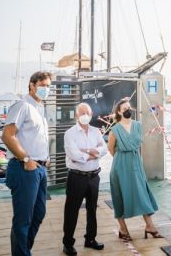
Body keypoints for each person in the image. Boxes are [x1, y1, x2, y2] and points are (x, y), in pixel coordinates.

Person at [2, 71, 52, 256]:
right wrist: (26, 159)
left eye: (48, 86)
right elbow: (7, 135)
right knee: (23, 220)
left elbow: (34, 138)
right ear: (31, 85)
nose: (46, 89)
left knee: (38, 214)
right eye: (42, 85)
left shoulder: (40, 108)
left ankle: (23, 251)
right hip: (24, 168)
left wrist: (44, 157)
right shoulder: (23, 105)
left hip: (39, 169)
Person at [108, 97, 162, 241]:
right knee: (120, 195)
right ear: (119, 112)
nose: (128, 110)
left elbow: (138, 144)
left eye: (129, 108)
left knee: (142, 192)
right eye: (124, 109)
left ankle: (149, 226)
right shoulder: (115, 129)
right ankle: (123, 229)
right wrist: (121, 159)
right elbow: (110, 149)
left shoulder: (138, 125)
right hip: (120, 165)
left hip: (136, 162)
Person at [62, 103, 107, 255]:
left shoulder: (95, 131)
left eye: (87, 112)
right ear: (76, 115)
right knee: (71, 211)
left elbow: (104, 149)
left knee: (92, 209)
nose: (85, 115)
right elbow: (74, 156)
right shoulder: (70, 134)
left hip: (94, 176)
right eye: (82, 113)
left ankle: (90, 239)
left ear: (91, 113)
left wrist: (85, 152)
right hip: (76, 177)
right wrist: (93, 153)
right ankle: (68, 243)